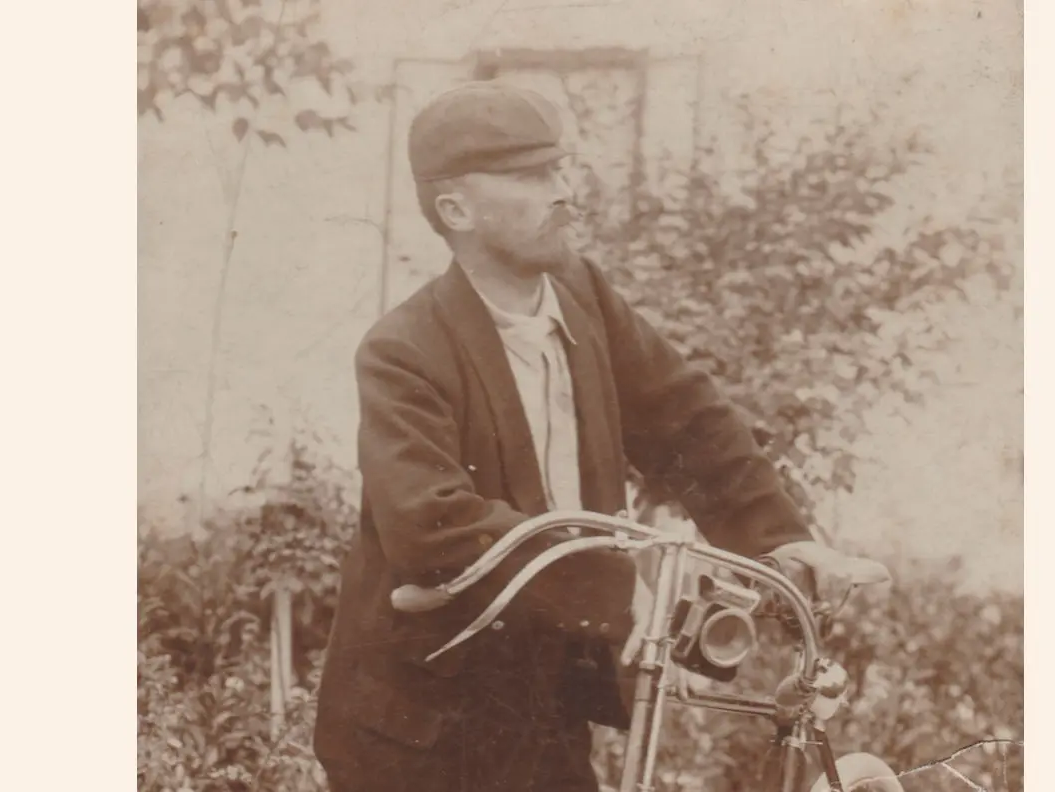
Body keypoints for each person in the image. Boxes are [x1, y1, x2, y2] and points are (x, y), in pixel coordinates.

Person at [313, 80, 852, 792]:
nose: (565, 192)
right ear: (455, 209)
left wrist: (778, 539)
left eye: (561, 170)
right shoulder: (403, 350)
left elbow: (685, 418)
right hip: (421, 730)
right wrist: (615, 587)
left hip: (547, 706)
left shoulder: (582, 297)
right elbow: (430, 525)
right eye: (533, 176)